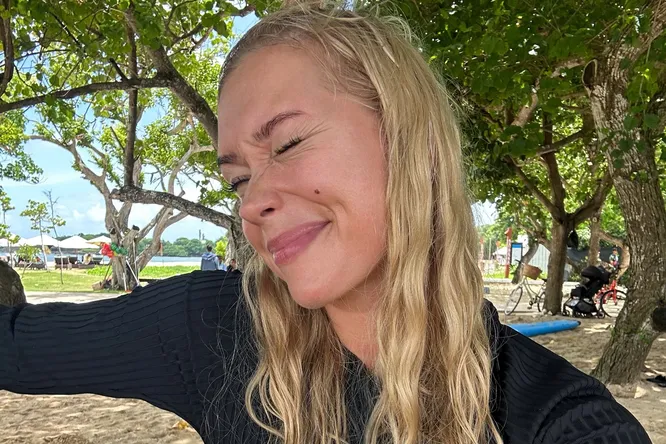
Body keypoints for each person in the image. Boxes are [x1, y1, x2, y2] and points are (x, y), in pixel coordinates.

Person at [0, 4, 650, 444]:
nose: (252, 202)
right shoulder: (210, 329)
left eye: (286, 144)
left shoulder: (546, 410)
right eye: (238, 179)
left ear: (410, 146)